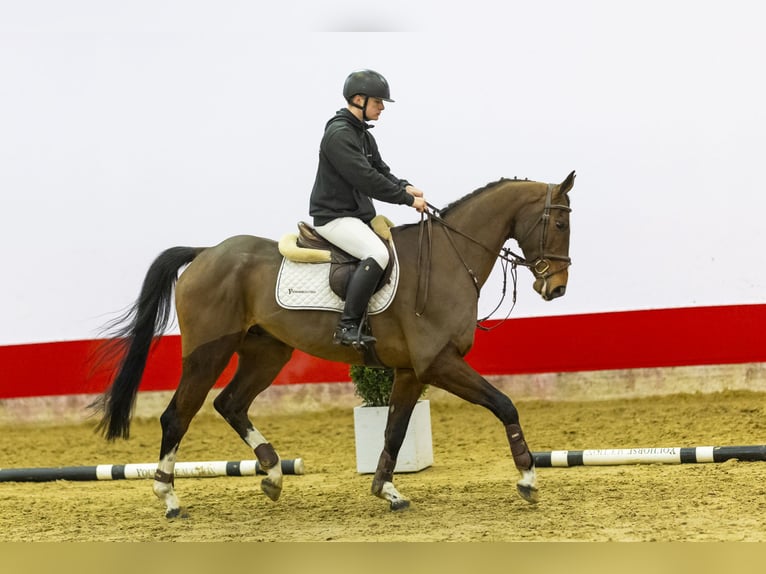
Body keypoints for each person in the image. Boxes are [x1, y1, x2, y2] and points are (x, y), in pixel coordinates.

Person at [309, 69, 427, 348]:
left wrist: (405, 185)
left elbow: (380, 170)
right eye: (378, 102)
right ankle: (347, 326)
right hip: (334, 217)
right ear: (359, 99)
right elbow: (366, 179)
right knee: (377, 253)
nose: (382, 107)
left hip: (356, 217)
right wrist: (407, 200)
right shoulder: (339, 135)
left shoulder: (363, 135)